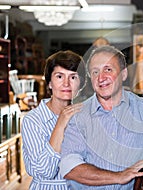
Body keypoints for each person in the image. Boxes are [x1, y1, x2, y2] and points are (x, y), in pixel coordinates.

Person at [60, 45, 143, 189]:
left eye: (108, 69)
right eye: (95, 72)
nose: (101, 77)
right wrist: (119, 176)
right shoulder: (78, 115)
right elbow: (70, 167)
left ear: (123, 74)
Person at [21, 50, 86, 189]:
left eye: (73, 77)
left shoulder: (84, 117)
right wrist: (61, 123)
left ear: (80, 85)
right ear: (49, 83)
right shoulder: (33, 120)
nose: (67, 84)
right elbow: (45, 171)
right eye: (59, 76)